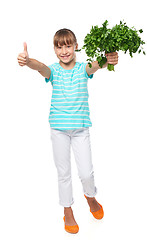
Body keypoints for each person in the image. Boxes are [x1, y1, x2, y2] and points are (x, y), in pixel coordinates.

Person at [17, 28, 118, 234]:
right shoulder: (53, 71)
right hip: (59, 131)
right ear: (55, 50)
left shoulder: (83, 68)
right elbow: (41, 68)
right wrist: (28, 62)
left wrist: (108, 58)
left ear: (76, 46)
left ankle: (90, 197)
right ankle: (68, 210)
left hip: (80, 130)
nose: (64, 50)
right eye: (59, 46)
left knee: (86, 173)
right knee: (63, 173)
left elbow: (96, 65)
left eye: (68, 45)